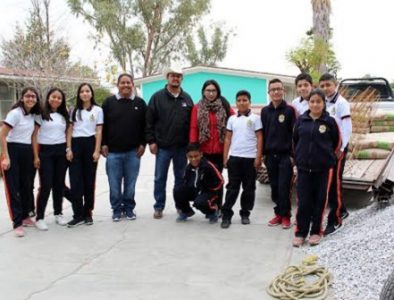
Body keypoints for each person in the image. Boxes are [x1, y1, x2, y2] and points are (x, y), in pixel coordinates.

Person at [292, 88, 341, 246]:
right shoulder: (301, 120)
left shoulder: (330, 122)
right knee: (303, 201)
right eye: (312, 101)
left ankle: (316, 232)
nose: (315, 104)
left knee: (320, 201)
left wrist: (328, 157)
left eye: (318, 101)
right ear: (309, 103)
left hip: (323, 169)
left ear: (323, 103)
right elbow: (295, 140)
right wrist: (298, 159)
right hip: (304, 169)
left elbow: (336, 142)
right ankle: (300, 232)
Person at [146, 65, 193, 219]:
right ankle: (159, 206)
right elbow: (149, 122)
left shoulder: (186, 99)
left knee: (180, 179)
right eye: (172, 75)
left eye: (178, 76)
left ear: (181, 78)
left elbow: (191, 124)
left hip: (181, 148)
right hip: (163, 148)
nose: (175, 78)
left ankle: (180, 206)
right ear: (167, 77)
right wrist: (151, 141)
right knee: (160, 178)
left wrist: (191, 145)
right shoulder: (157, 97)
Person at [101, 73, 146, 222]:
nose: (126, 85)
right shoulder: (108, 103)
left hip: (133, 153)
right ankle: (116, 209)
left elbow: (145, 126)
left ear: (133, 84)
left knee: (130, 184)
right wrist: (103, 144)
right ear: (117, 85)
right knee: (114, 184)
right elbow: (103, 127)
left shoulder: (140, 103)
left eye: (128, 83)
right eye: (123, 82)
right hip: (113, 153)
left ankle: (128, 208)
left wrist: (142, 144)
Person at [0, 87, 41, 237]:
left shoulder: (33, 115)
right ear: (22, 98)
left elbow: (33, 138)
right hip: (13, 150)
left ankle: (25, 216)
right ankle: (17, 222)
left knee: (26, 186)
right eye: (28, 96)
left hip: (27, 151)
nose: (31, 99)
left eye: (33, 96)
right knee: (13, 188)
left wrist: (35, 156)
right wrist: (6, 156)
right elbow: (2, 135)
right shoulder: (15, 113)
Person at [189, 79, 234, 211]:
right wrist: (193, 149)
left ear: (218, 92)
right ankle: (207, 206)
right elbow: (193, 128)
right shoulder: (197, 107)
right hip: (204, 151)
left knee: (218, 180)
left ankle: (218, 207)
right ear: (203, 92)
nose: (211, 93)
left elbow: (234, 120)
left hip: (220, 151)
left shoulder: (224, 105)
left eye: (214, 91)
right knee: (205, 180)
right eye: (208, 90)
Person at [221, 90, 262, 229]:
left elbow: (260, 138)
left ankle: (245, 213)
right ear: (236, 103)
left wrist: (258, 157)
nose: (242, 102)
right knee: (232, 188)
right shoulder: (232, 119)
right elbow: (227, 138)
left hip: (250, 159)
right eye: (239, 100)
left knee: (249, 188)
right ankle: (226, 214)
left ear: (250, 102)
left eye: (245, 100)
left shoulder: (256, 119)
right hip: (235, 159)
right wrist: (225, 156)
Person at [66, 83, 103, 227]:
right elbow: (69, 130)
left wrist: (96, 150)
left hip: (90, 145)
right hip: (75, 145)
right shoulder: (73, 110)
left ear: (91, 93)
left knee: (89, 181)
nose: (85, 93)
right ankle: (77, 214)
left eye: (87, 91)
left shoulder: (98, 110)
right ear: (79, 94)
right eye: (82, 91)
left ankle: (88, 213)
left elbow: (99, 131)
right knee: (75, 182)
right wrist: (68, 149)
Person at [319, 73, 352, 236]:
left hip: (338, 148)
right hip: (327, 148)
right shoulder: (323, 102)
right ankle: (342, 209)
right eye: (322, 85)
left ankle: (337, 218)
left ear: (336, 84)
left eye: (328, 85)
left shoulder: (341, 103)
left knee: (335, 182)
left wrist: (341, 148)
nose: (325, 88)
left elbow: (347, 128)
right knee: (329, 182)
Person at [261, 79, 296, 229]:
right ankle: (279, 214)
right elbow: (262, 134)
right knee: (274, 187)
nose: (276, 92)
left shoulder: (290, 111)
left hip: (285, 156)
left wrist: (293, 156)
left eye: (278, 89)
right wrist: (263, 154)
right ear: (269, 92)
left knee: (284, 187)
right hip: (270, 156)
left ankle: (286, 215)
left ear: (283, 91)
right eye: (273, 89)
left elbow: (295, 135)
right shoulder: (265, 111)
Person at [32, 88, 69, 230]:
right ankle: (40, 217)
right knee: (46, 185)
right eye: (54, 97)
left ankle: (58, 213)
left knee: (59, 184)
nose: (56, 100)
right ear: (48, 98)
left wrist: (67, 150)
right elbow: (34, 136)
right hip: (45, 152)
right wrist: (36, 156)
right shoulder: (40, 114)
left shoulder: (64, 115)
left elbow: (67, 133)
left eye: (59, 98)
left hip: (60, 151)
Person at [174, 143, 224, 223]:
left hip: (208, 192)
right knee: (177, 190)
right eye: (190, 157)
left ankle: (212, 212)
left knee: (199, 202)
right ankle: (186, 211)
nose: (193, 159)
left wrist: (211, 190)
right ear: (187, 156)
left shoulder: (208, 166)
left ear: (201, 154)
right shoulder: (188, 168)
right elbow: (186, 181)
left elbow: (221, 180)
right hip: (196, 191)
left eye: (196, 156)